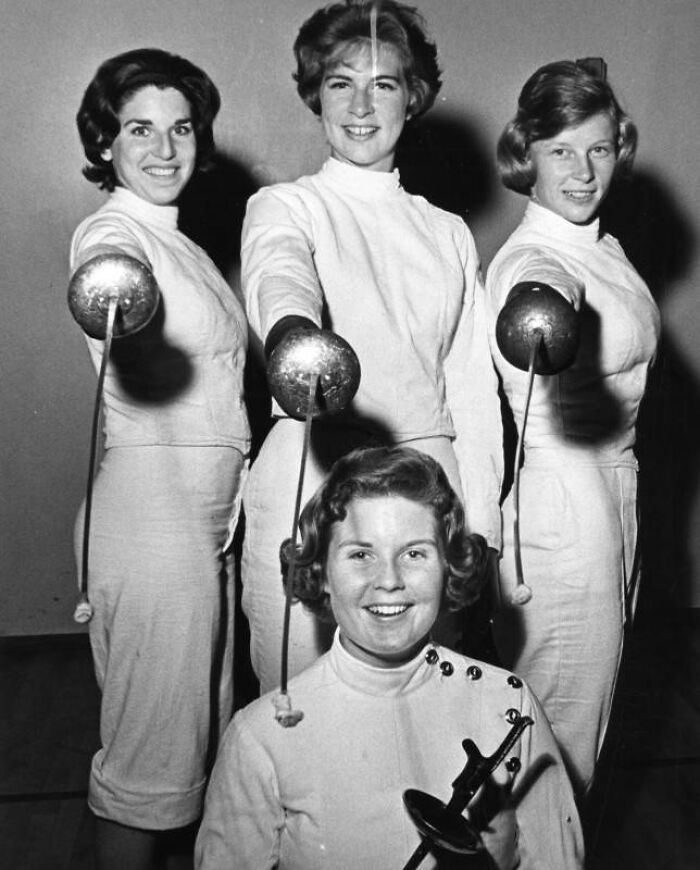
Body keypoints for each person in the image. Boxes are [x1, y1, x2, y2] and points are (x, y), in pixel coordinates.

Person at [241, 0, 502, 693]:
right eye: (339, 83)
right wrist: (294, 334)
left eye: (383, 83)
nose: (361, 105)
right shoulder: (286, 206)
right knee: (296, 698)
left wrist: (486, 529)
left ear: (412, 98)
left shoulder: (448, 231)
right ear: (315, 95)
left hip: (428, 481)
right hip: (309, 473)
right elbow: (279, 271)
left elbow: (471, 387)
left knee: (425, 700)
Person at [195, 447, 584, 869]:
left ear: (448, 567)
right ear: (321, 572)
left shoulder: (510, 705)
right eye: (361, 555)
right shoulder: (260, 739)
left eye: (414, 553)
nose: (389, 581)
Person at [70, 48, 250, 869]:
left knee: (189, 765)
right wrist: (119, 297)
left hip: (203, 523)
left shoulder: (182, 243)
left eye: (181, 127)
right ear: (106, 141)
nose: (165, 147)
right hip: (153, 520)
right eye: (139, 128)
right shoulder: (114, 233)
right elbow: (110, 279)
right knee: (148, 773)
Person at [485, 59, 660, 798]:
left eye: (597, 148)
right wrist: (540, 303)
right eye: (561, 151)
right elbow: (539, 291)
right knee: (548, 749)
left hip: (613, 492)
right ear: (529, 155)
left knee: (582, 738)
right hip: (561, 506)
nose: (583, 171)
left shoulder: (601, 244)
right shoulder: (536, 256)